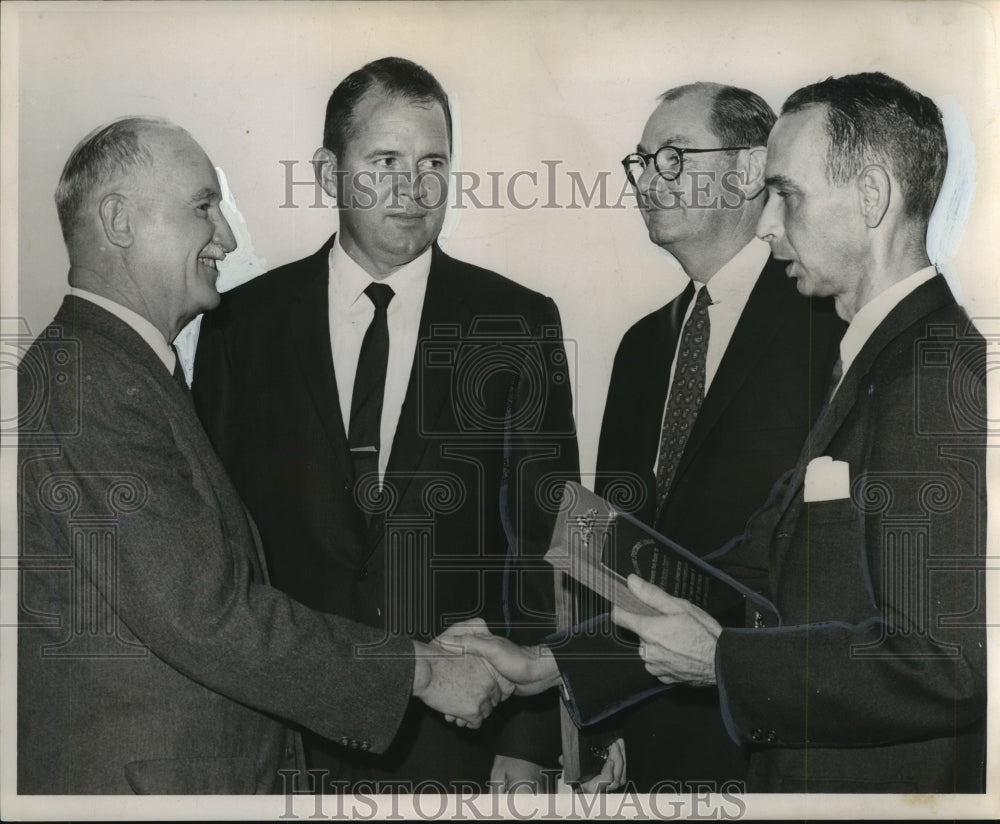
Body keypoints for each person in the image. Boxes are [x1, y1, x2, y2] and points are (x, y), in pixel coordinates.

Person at [462, 72, 987, 793]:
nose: (768, 224)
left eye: (789, 196)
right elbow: (749, 574)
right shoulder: (876, 358)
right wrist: (553, 665)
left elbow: (944, 664)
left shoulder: (929, 369)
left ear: (872, 197)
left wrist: (722, 665)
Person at [17, 116, 513, 795]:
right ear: (119, 220)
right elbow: (207, 614)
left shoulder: (118, 370)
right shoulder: (91, 383)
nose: (226, 236)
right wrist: (421, 671)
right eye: (202, 207)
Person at [192, 58, 579, 792]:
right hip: (281, 742)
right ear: (327, 172)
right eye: (386, 161)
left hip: (458, 745)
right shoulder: (241, 324)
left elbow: (544, 544)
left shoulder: (518, 322)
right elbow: (221, 548)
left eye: (434, 162)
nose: (414, 189)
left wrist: (530, 745)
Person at [531, 83, 844, 790]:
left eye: (673, 158)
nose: (647, 181)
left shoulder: (829, 326)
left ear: (747, 171)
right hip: (650, 736)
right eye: (641, 162)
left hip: (779, 739)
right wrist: (606, 720)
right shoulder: (642, 346)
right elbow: (611, 550)